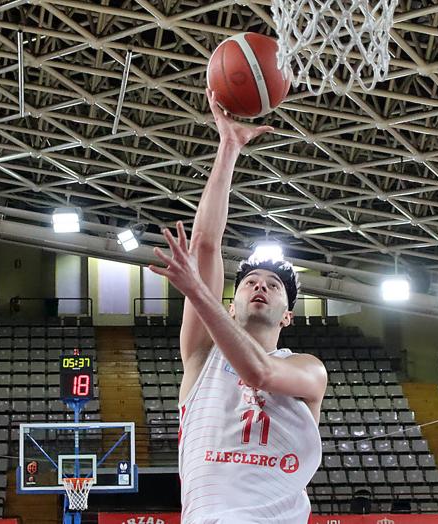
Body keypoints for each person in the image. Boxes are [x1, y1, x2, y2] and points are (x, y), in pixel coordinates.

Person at [149, 89, 327, 524]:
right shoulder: (200, 357)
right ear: (231, 305)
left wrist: (199, 294)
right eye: (249, 282)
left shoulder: (308, 370)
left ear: (287, 315)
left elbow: (260, 373)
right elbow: (206, 245)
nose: (260, 287)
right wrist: (227, 146)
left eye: (273, 286)